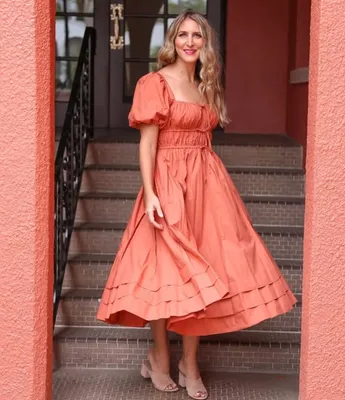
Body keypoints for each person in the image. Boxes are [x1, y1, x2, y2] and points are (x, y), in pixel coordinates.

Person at [97, 9, 297, 400]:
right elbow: (148, 145)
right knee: (163, 273)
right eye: (183, 35)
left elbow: (204, 141)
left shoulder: (207, 84)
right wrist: (151, 193)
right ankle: (159, 357)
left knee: (206, 269)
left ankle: (190, 363)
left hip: (207, 185)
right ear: (172, 41)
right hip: (167, 183)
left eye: (198, 35)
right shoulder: (154, 83)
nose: (190, 42)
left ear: (206, 43)